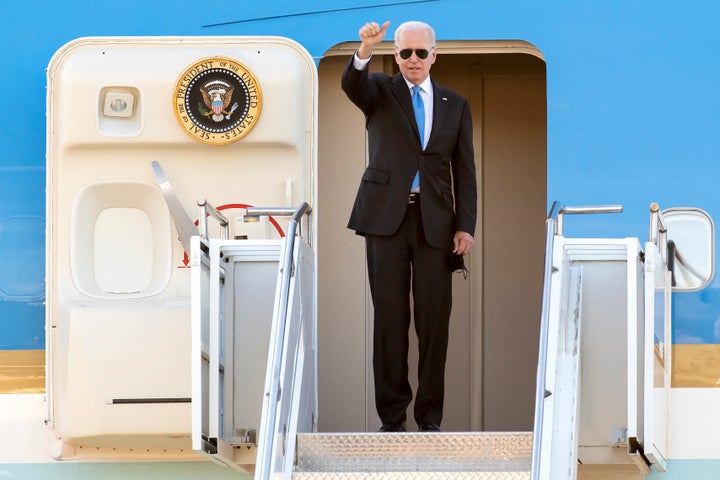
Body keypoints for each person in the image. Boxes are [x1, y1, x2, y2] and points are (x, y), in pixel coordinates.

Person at [341, 20, 477, 432]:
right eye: (405, 53)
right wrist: (364, 49)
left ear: (435, 54)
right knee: (390, 320)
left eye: (421, 52)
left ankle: (430, 418)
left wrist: (466, 226)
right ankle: (392, 418)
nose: (413, 60)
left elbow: (465, 170)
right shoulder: (379, 91)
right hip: (386, 220)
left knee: (435, 324)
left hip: (436, 224)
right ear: (396, 55)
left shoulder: (456, 103)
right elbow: (352, 84)